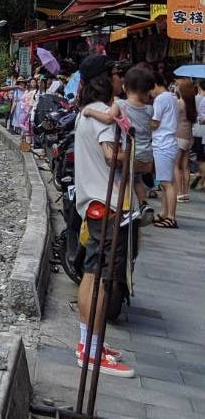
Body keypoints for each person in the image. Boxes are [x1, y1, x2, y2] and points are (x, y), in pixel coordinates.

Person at [72, 56, 135, 378]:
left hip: (94, 203)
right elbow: (112, 157)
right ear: (104, 78)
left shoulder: (87, 113)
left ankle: (89, 342)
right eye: (115, 73)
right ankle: (92, 351)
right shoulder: (103, 116)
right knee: (101, 279)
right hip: (108, 204)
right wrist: (135, 154)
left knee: (91, 273)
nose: (119, 78)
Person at [81, 64, 155, 218]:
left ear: (125, 86)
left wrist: (90, 112)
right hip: (147, 154)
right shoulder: (149, 109)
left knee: (122, 178)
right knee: (137, 180)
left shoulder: (121, 104)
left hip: (131, 152)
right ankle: (144, 204)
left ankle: (126, 209)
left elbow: (108, 119)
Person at [150, 76, 180, 228]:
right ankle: (164, 213)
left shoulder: (160, 99)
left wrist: (142, 122)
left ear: (155, 84)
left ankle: (171, 217)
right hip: (170, 142)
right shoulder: (172, 97)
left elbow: (155, 123)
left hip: (163, 143)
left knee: (167, 183)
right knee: (167, 182)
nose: (150, 93)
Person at [174, 78, 196, 204]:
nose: (175, 87)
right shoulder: (191, 103)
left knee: (176, 165)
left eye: (177, 85)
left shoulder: (179, 103)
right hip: (188, 137)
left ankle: (179, 192)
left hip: (178, 136)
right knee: (185, 166)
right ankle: (185, 193)